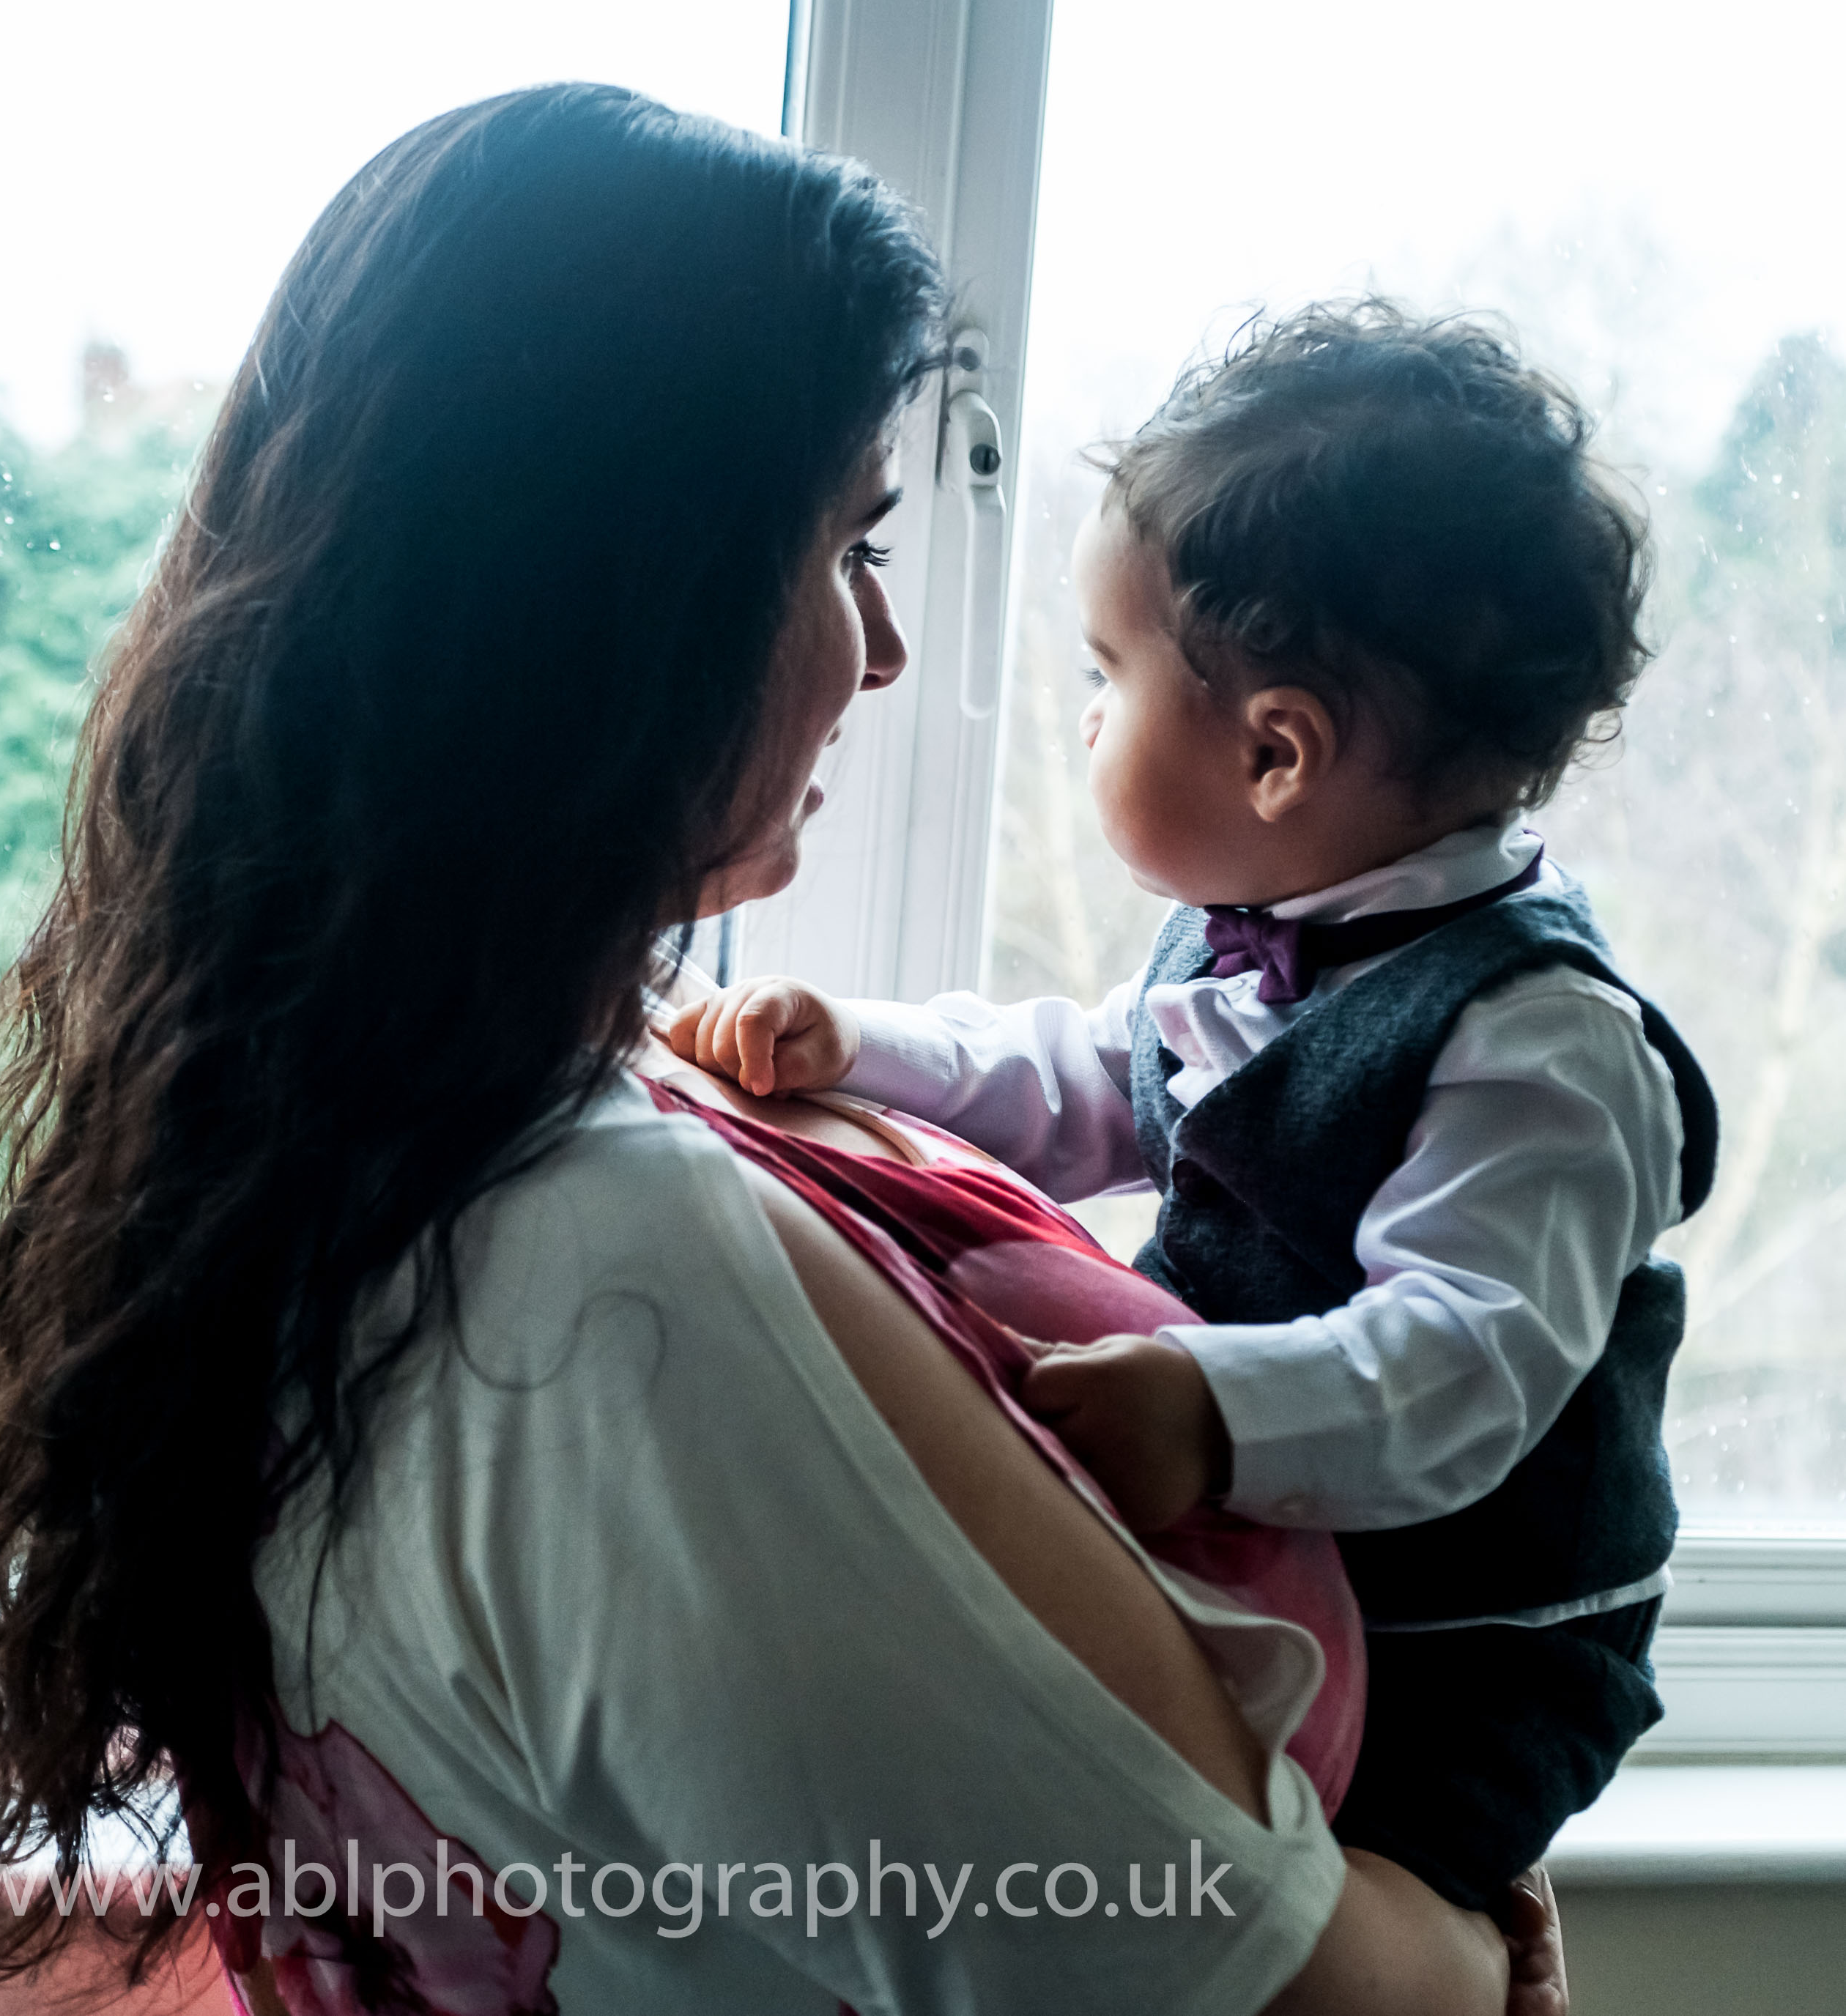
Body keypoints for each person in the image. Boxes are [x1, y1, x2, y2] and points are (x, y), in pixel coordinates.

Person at [0, 97, 1546, 2015]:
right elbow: (1257, 1986)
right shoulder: (599, 1278)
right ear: (616, 603)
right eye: (846, 545)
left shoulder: (397, 1143)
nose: (885, 649)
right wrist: (1466, 1943)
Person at [672, 303, 1718, 1924]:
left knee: (1276, 1920)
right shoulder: (1268, 933)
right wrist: (856, 1046)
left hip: (1468, 1654)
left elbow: (1463, 1361)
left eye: (1108, 673)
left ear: (1277, 753)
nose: (1088, 714)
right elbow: (1095, 1080)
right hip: (1305, 1576)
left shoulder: (1543, 1045)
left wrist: (1214, 1413)